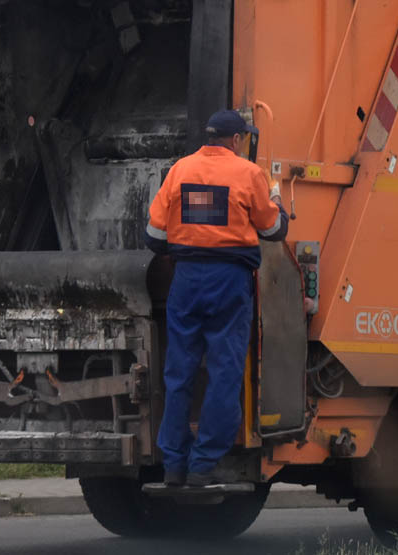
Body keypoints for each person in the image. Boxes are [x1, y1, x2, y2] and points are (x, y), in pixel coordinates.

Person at [144, 109, 288, 487]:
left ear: (208, 137)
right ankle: (203, 464)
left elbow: (154, 238)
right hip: (229, 281)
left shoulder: (180, 171)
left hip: (186, 280)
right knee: (225, 372)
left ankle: (173, 464)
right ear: (237, 140)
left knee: (179, 372)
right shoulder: (248, 174)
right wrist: (278, 203)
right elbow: (272, 229)